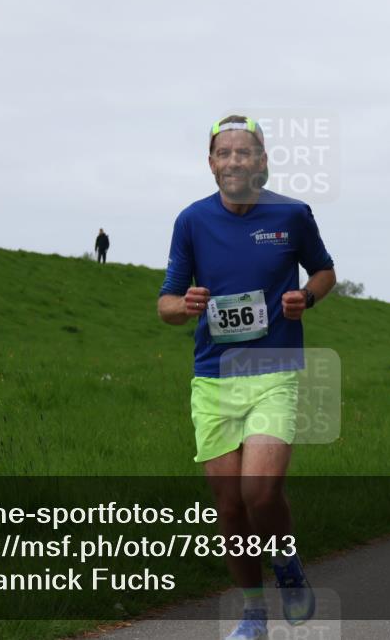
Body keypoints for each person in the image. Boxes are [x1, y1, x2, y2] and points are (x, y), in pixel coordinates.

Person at [157, 115, 336, 640]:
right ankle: (253, 613)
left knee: (259, 490)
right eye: (224, 153)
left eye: (244, 152)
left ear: (262, 160)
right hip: (212, 377)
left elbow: (324, 271)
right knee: (230, 503)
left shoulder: (293, 215)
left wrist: (307, 296)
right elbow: (166, 302)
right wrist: (182, 305)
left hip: (272, 368)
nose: (234, 161)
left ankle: (287, 567)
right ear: (211, 163)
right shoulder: (192, 221)